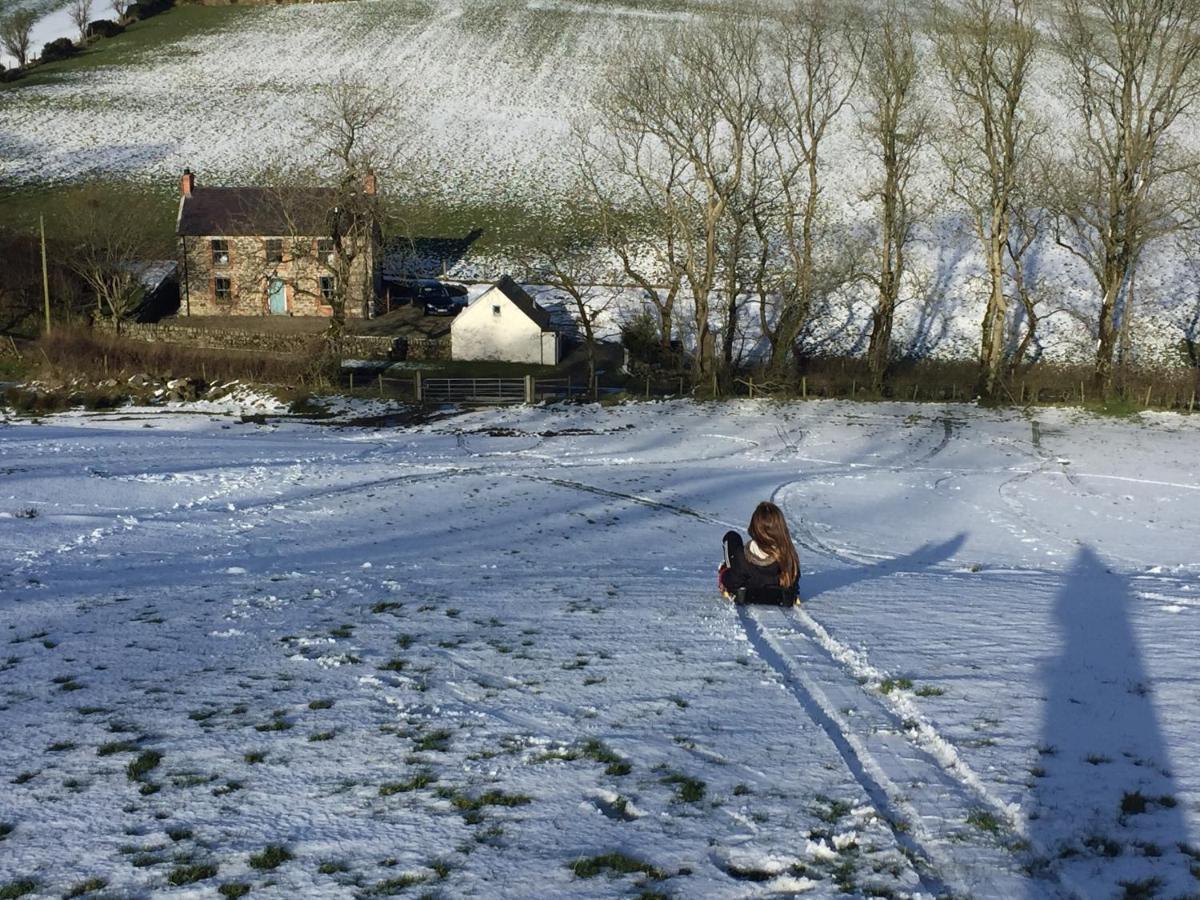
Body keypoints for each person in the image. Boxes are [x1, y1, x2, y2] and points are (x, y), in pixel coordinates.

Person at [718, 501, 800, 605]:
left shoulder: (743, 557)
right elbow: (794, 581)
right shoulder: (788, 556)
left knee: (732, 537)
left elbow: (732, 582)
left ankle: (725, 568)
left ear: (754, 528)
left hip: (749, 591)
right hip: (778, 595)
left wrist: (723, 576)